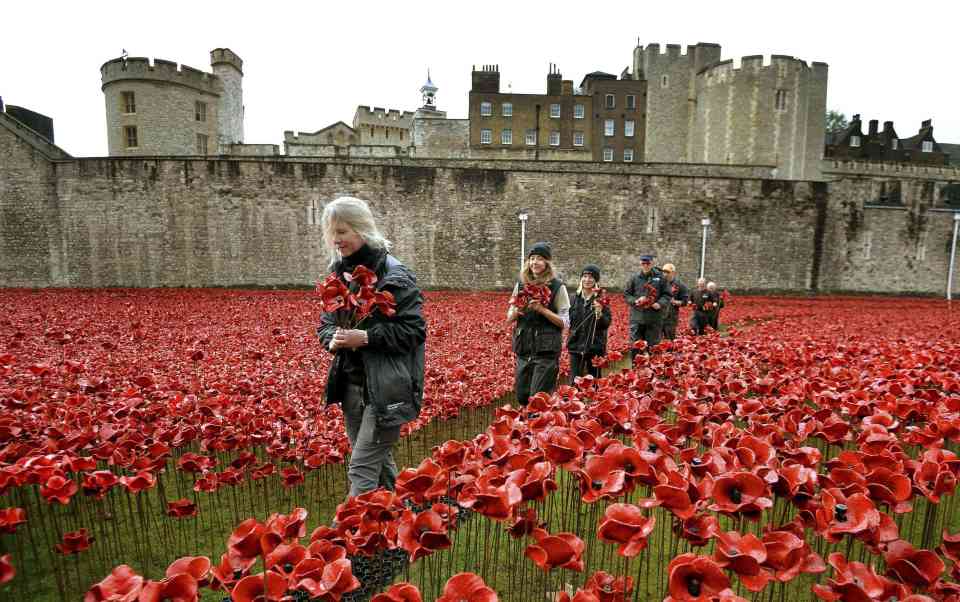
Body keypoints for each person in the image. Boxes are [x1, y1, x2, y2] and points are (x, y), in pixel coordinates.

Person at [316, 197, 426, 499]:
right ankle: (392, 528)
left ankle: (349, 540)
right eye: (332, 232)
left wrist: (365, 338)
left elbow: (414, 331)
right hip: (352, 385)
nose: (336, 240)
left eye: (342, 231)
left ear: (361, 230)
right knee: (379, 465)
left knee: (362, 467)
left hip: (386, 388)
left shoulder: (395, 275)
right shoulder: (337, 275)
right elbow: (325, 324)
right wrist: (333, 339)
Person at [507, 242, 570, 406]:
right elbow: (509, 317)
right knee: (522, 396)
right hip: (524, 351)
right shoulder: (520, 285)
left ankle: (535, 429)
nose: (535, 262)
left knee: (538, 400)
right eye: (532, 258)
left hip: (546, 353)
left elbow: (565, 322)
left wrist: (542, 310)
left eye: (540, 259)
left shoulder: (557, 287)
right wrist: (517, 312)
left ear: (547, 263)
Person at [566, 264, 612, 382]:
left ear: (596, 280)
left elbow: (606, 323)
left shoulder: (601, 300)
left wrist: (600, 313)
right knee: (575, 382)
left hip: (595, 346)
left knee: (595, 381)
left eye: (591, 277)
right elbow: (567, 320)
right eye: (585, 276)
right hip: (576, 346)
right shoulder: (573, 299)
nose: (587, 280)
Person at [624, 254, 671, 360]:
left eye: (648, 263)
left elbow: (667, 294)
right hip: (637, 318)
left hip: (654, 318)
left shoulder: (661, 278)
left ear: (652, 263)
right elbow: (626, 294)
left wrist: (659, 303)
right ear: (640, 263)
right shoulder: (634, 278)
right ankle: (635, 372)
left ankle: (651, 373)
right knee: (636, 347)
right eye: (643, 263)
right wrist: (635, 301)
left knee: (653, 347)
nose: (645, 265)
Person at [660, 263, 689, 340]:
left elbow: (685, 301)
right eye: (664, 272)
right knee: (655, 341)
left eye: (667, 272)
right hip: (658, 316)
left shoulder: (680, 285)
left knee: (669, 339)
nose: (665, 274)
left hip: (671, 318)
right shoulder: (659, 283)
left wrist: (675, 302)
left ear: (673, 273)